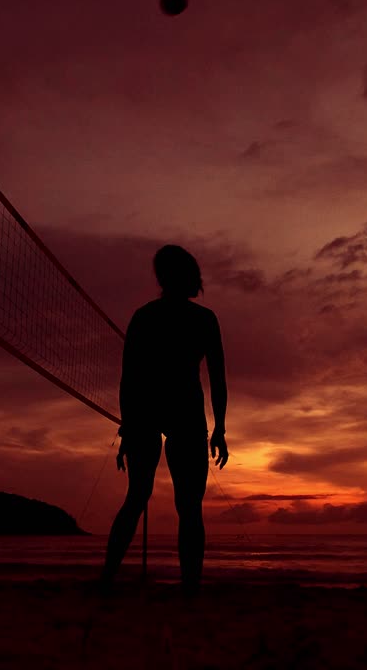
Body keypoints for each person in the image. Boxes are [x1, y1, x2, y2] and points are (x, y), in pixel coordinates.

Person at [101, 245, 229, 594]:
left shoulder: (146, 317)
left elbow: (130, 379)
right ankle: (189, 589)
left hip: (153, 411)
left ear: (162, 277)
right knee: (187, 506)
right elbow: (216, 378)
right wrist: (220, 428)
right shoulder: (201, 319)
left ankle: (107, 580)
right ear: (192, 278)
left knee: (140, 496)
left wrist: (129, 426)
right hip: (179, 411)